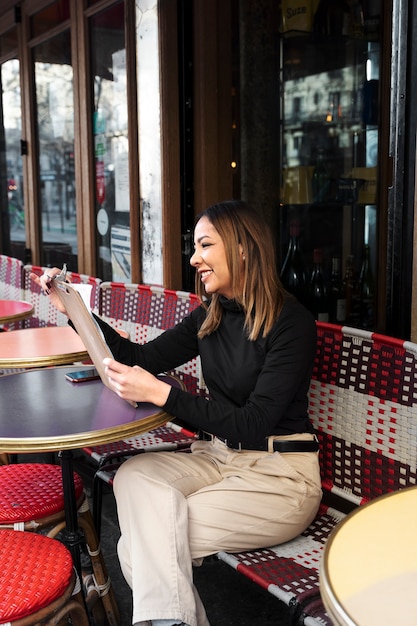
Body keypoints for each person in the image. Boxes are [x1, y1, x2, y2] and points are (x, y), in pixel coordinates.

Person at [34, 200, 322, 626]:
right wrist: (77, 313)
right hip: (217, 459)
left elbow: (255, 422)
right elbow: (139, 356)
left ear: (243, 248)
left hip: (279, 477)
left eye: (205, 245)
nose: (193, 258)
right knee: (133, 477)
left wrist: (163, 395)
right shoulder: (210, 315)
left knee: (141, 544)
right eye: (194, 246)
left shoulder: (291, 323)